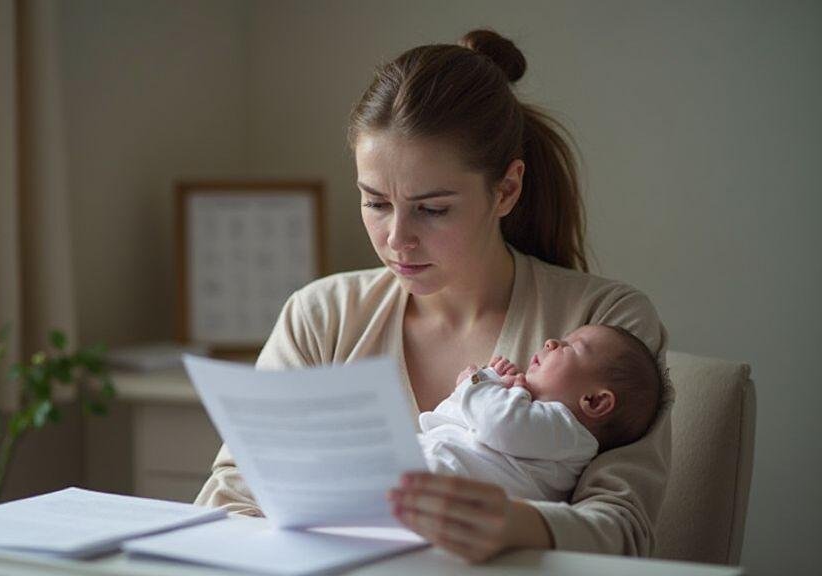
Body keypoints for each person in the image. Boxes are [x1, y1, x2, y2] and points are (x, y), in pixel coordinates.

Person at [195, 27, 673, 564]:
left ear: (507, 190)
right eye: (376, 203)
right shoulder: (321, 316)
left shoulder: (604, 322)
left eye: (432, 208)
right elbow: (232, 499)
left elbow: (627, 531)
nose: (397, 239)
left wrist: (516, 524)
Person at [419, 324, 664, 502]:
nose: (551, 342)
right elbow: (443, 422)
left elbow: (498, 424)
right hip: (428, 471)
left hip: (443, 489)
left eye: (571, 347)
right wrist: (487, 382)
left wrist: (475, 383)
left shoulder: (569, 434)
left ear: (594, 401)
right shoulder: (521, 410)